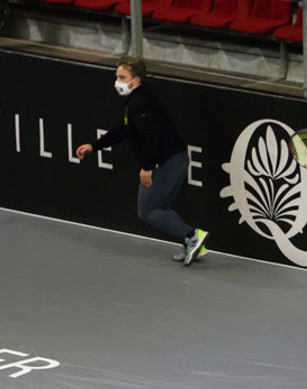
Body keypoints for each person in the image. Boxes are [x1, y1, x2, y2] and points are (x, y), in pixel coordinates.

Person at [75, 56, 209, 265]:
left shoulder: (140, 103)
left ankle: (193, 236)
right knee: (160, 207)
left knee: (148, 210)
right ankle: (190, 241)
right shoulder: (135, 102)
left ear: (135, 80)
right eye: (117, 76)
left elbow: (152, 137)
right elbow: (123, 130)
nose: (117, 81)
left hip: (169, 161)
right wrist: (94, 146)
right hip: (174, 159)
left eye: (122, 77)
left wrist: (147, 167)